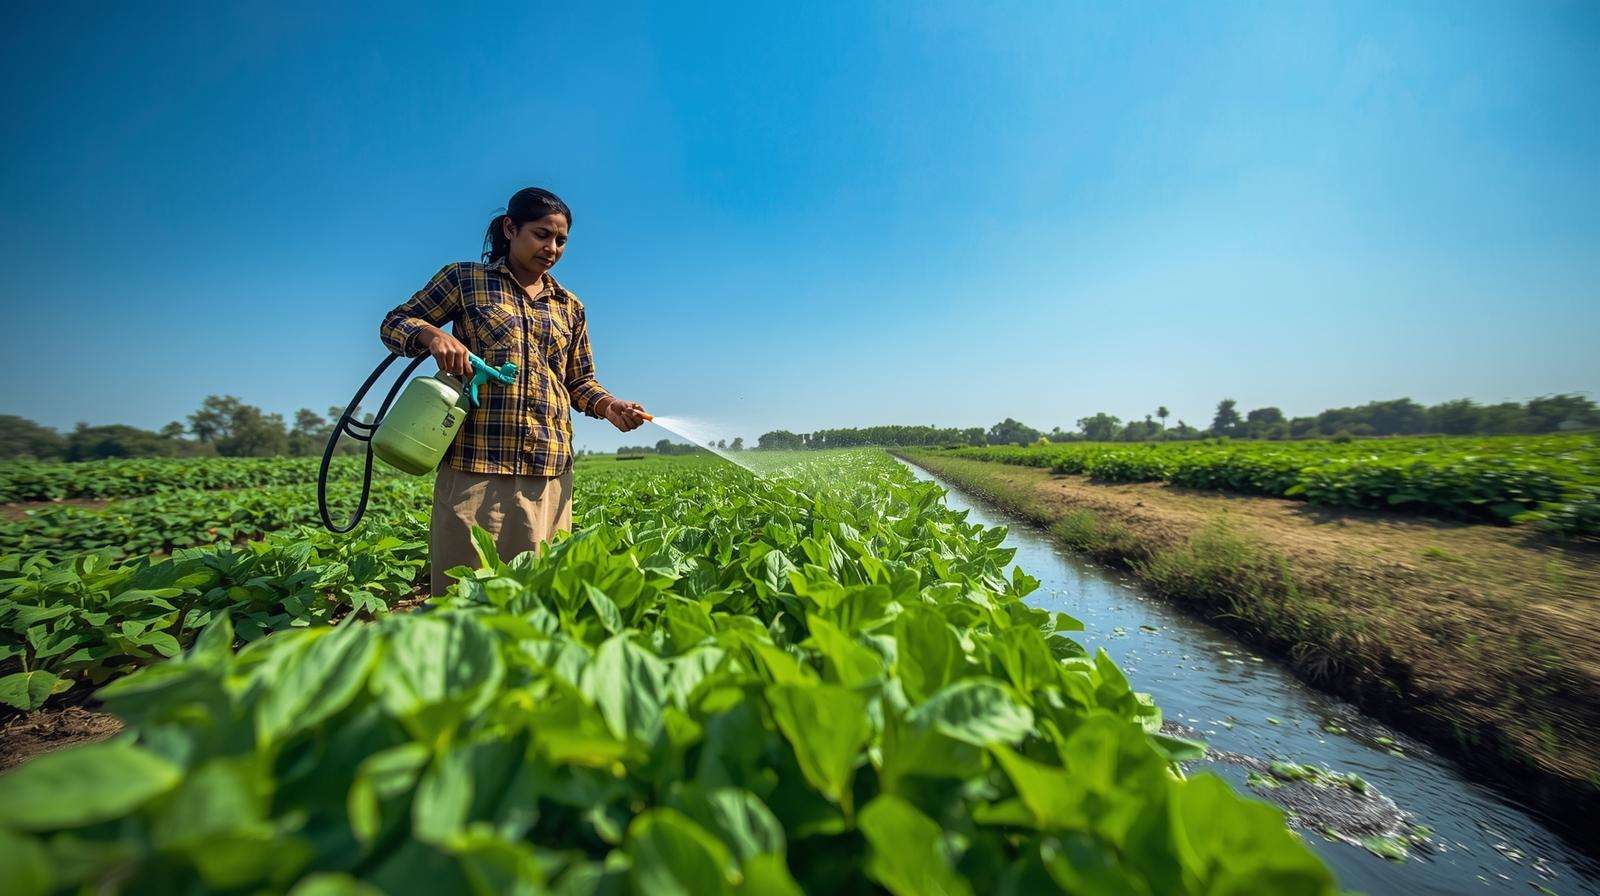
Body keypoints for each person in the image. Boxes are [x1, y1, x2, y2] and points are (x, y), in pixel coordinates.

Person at [380, 187, 648, 595]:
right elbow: (395, 322)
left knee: (534, 596)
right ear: (510, 228)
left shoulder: (569, 306)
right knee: (464, 596)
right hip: (476, 464)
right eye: (542, 234)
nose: (552, 248)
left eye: (561, 241)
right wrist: (433, 335)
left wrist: (610, 406)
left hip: (548, 468)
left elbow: (578, 381)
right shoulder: (465, 279)